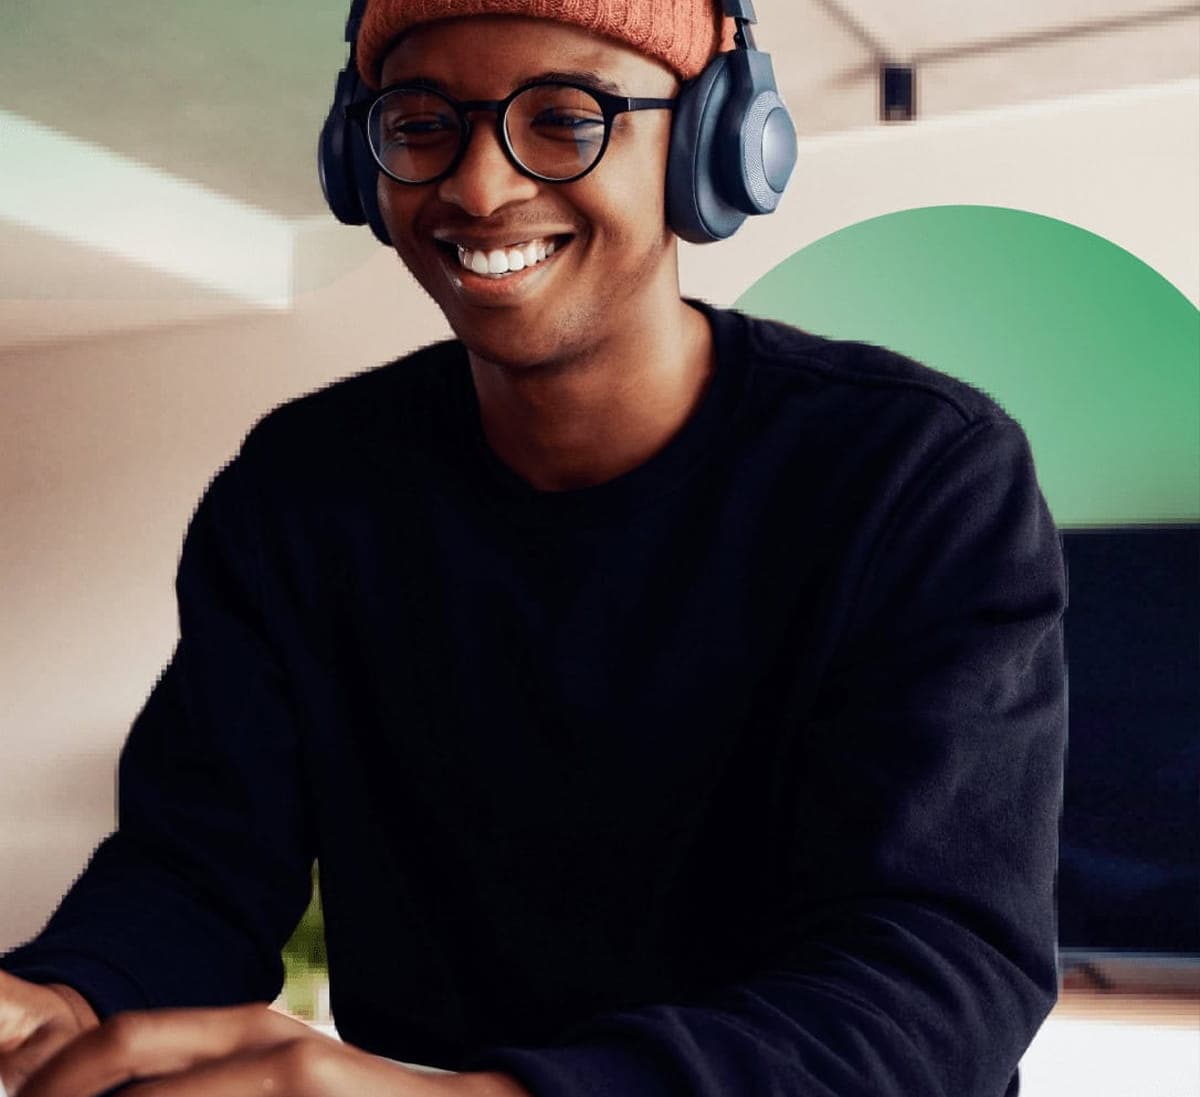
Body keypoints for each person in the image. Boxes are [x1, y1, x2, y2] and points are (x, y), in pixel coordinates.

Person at [0, 1, 1068, 1095]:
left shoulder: (916, 471)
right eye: (420, 123)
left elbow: (939, 970)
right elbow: (201, 865)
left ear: (711, 141)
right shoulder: (300, 490)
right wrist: (61, 995)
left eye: (565, 117)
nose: (476, 186)